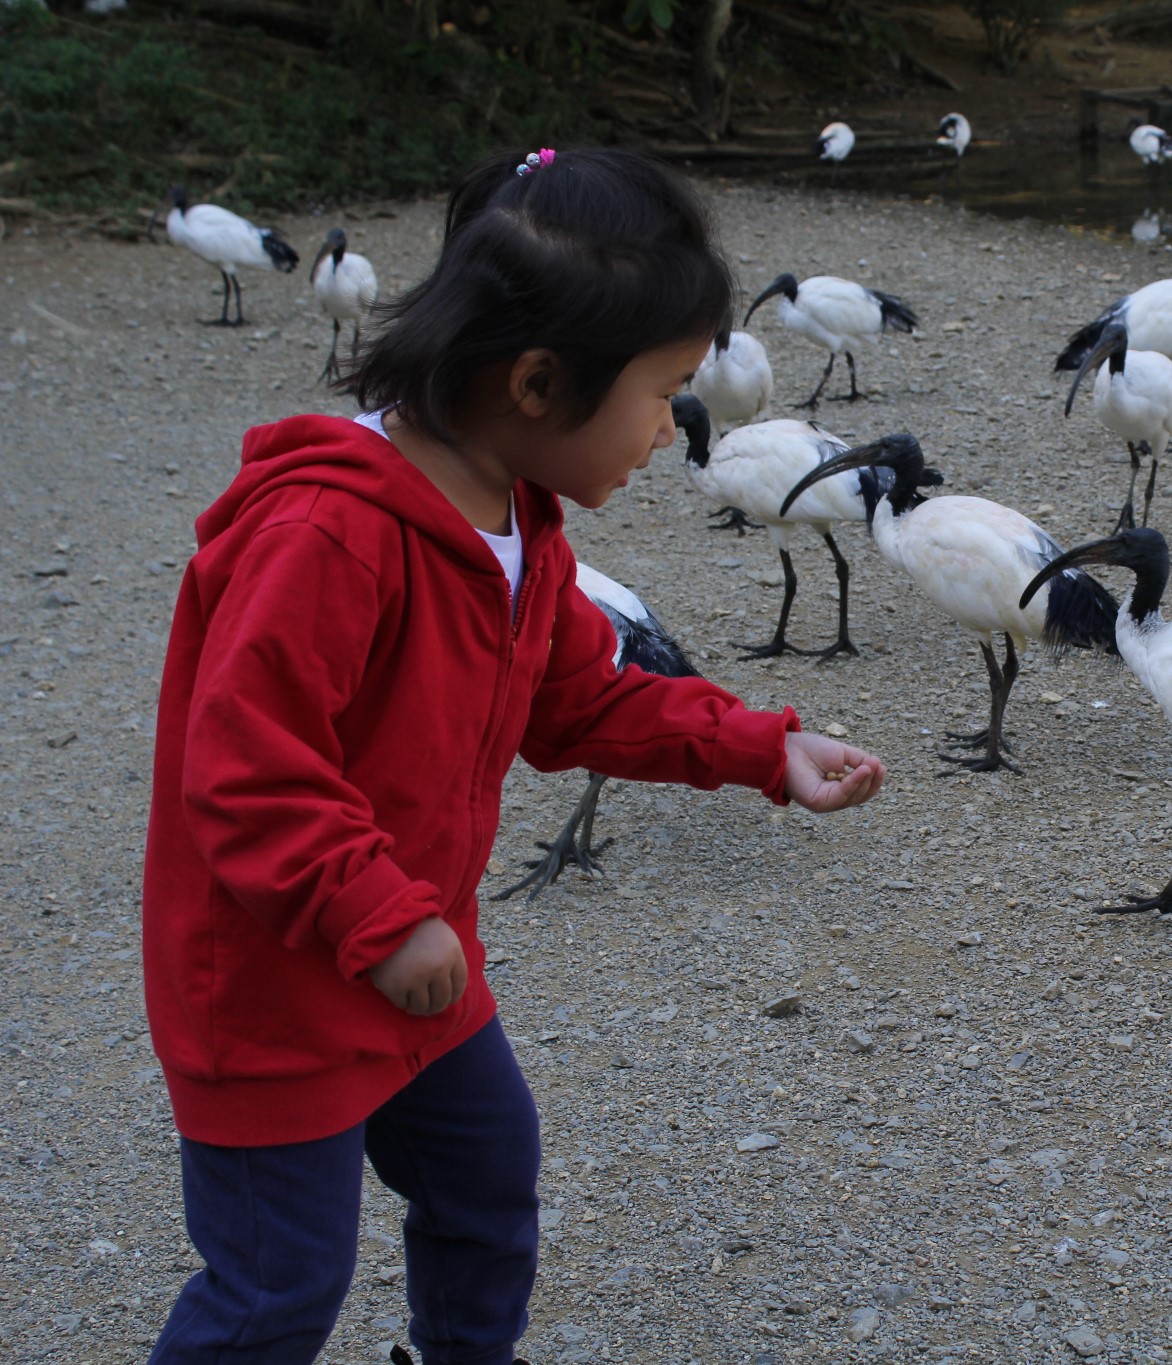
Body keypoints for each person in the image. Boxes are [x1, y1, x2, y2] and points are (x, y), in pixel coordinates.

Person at [141, 146, 885, 1365]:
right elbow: (247, 765)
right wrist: (380, 917)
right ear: (538, 382)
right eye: (662, 393)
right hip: (280, 983)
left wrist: (764, 748)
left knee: (488, 1185)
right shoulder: (326, 535)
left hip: (417, 965)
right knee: (277, 1285)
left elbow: (576, 701)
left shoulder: (516, 518)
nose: (666, 431)